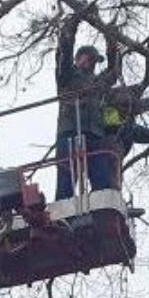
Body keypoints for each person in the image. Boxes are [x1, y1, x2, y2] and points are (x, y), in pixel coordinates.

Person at [54, 14, 118, 200]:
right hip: (69, 133)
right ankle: (63, 220)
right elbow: (64, 53)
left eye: (94, 61)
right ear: (78, 59)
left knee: (102, 181)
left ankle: (102, 212)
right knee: (66, 183)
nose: (91, 63)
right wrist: (72, 25)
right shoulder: (66, 75)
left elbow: (113, 73)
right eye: (88, 58)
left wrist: (111, 43)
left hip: (94, 135)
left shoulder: (98, 82)